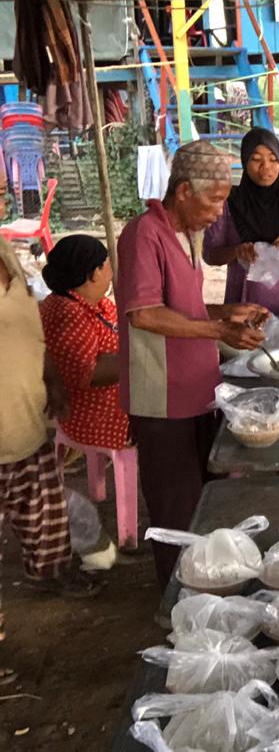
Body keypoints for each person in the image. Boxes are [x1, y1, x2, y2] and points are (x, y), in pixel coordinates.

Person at [117, 141, 267, 590]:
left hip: (199, 390)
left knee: (203, 499)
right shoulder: (144, 233)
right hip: (163, 399)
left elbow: (181, 307)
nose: (221, 213)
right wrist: (219, 332)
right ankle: (177, 602)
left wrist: (227, 313)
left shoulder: (186, 234)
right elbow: (144, 313)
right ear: (184, 191)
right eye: (216, 199)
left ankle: (207, 588)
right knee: (175, 509)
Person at [1, 225, 101, 684]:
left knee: (42, 500)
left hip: (24, 413)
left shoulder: (8, 259)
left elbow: (33, 335)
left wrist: (54, 383)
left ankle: (51, 571)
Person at [205, 128, 279, 316]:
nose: (266, 167)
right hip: (246, 306)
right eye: (256, 159)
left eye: (273, 159)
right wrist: (237, 251)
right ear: (245, 161)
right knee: (247, 345)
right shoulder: (230, 203)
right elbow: (211, 256)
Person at [40, 234, 128, 450]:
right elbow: (89, 373)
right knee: (165, 418)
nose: (112, 270)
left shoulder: (89, 302)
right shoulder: (69, 314)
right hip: (94, 417)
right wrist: (138, 359)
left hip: (103, 405)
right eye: (107, 263)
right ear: (95, 273)